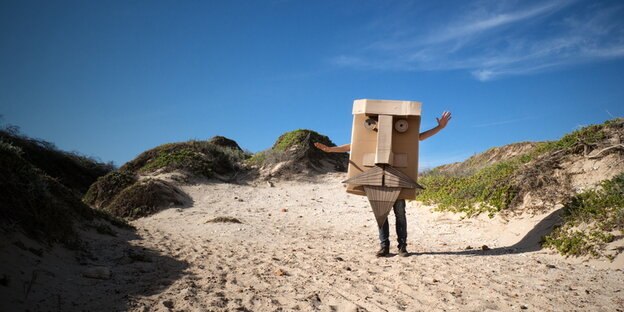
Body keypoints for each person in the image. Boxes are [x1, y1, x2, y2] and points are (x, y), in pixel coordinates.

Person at [314, 111, 452, 257]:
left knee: (400, 214)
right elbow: (350, 146)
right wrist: (329, 149)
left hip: (397, 178)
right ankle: (384, 246)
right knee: (381, 214)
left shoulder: (401, 135)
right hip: (377, 179)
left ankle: (402, 247)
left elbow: (420, 137)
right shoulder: (371, 137)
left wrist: (440, 128)